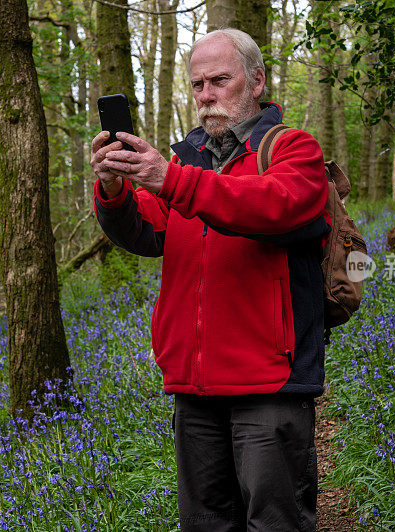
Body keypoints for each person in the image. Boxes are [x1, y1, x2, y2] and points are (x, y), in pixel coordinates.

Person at [90, 28, 330, 532]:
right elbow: (144, 229)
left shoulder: (293, 151)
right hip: (192, 386)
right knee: (205, 524)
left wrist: (170, 179)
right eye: (198, 84)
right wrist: (113, 187)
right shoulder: (186, 161)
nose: (206, 95)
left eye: (220, 80)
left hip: (269, 381)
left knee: (275, 524)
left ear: (257, 81)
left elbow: (274, 207)